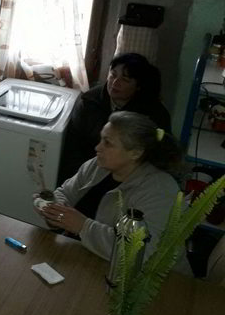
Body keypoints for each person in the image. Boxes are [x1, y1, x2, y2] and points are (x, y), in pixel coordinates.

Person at [35, 111, 190, 271]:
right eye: (101, 139)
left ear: (136, 152)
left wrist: (83, 227)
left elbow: (141, 252)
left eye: (107, 143)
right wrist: (53, 209)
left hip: (155, 279)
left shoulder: (159, 190)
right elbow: (65, 193)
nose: (97, 147)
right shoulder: (97, 165)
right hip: (93, 261)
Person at [57, 53, 171, 186]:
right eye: (113, 75)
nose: (115, 83)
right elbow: (72, 150)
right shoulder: (88, 102)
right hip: (87, 176)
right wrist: (81, 181)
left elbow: (158, 158)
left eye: (125, 80)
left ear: (138, 86)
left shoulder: (153, 114)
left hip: (129, 181)